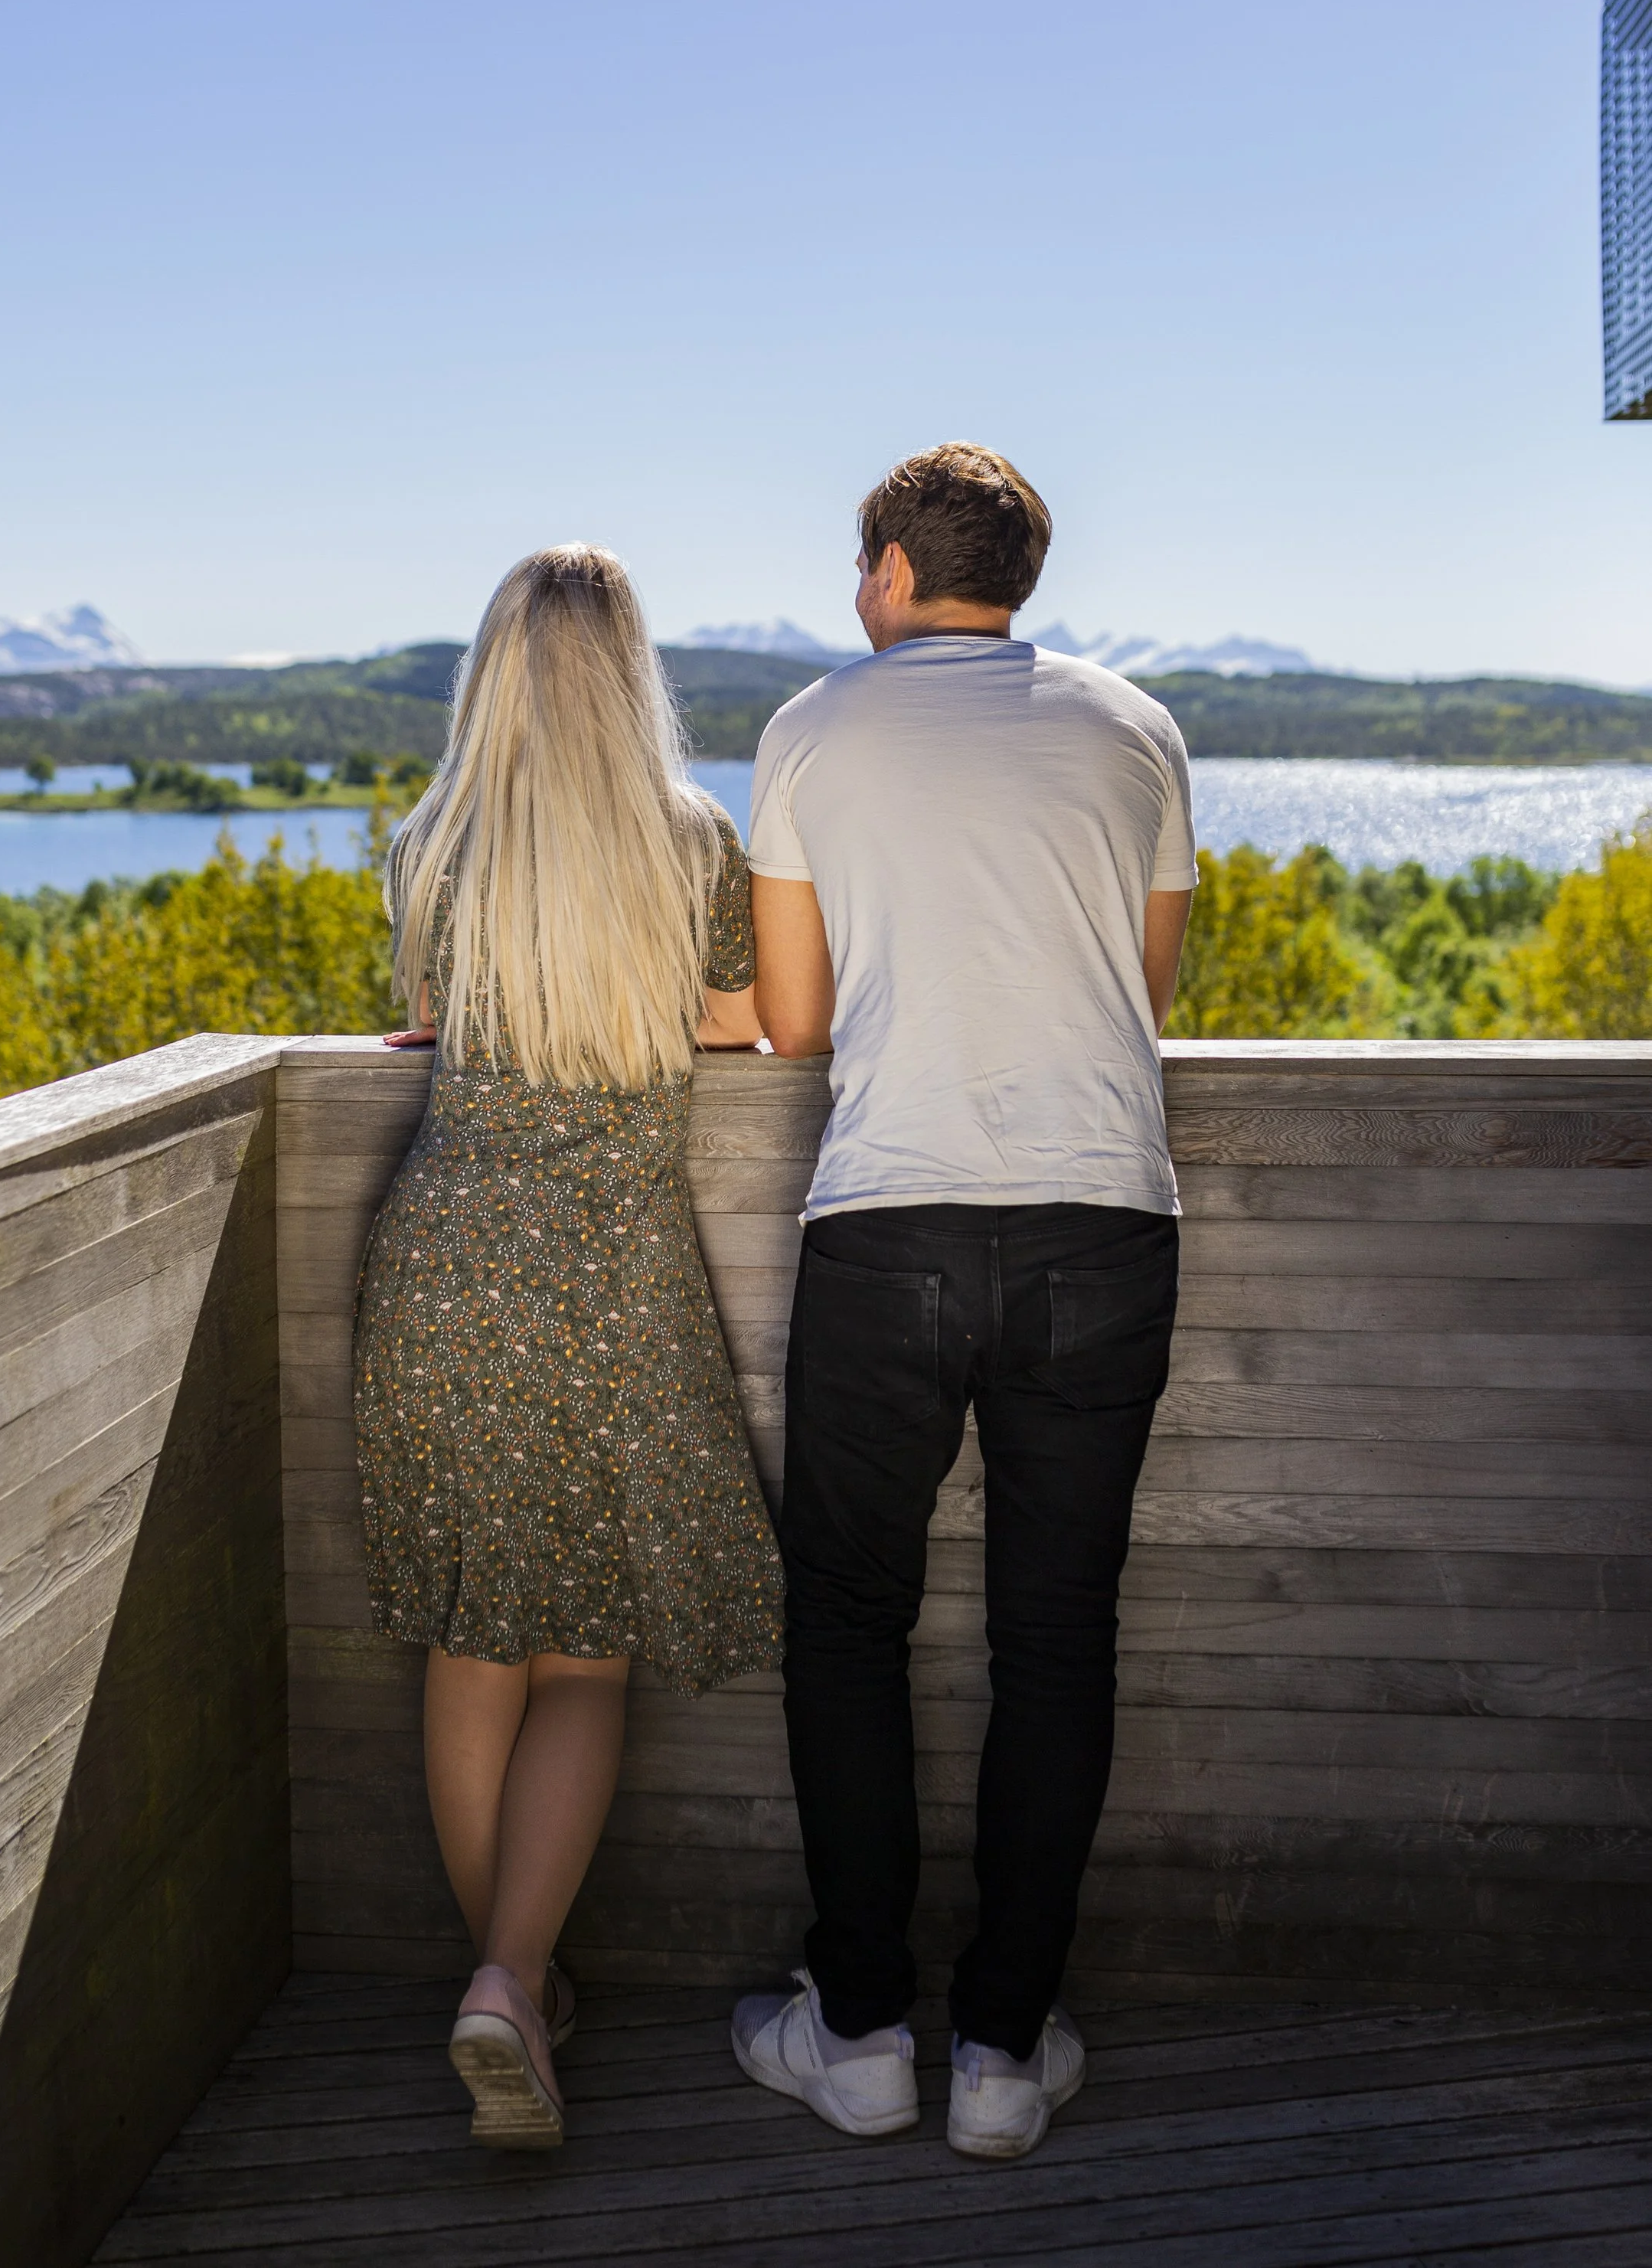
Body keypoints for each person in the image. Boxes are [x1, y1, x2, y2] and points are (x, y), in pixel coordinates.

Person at [731, 443, 1196, 2162]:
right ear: (1015, 576)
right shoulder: (1132, 728)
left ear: (885, 574)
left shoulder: (808, 729)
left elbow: (792, 1022)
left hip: (890, 1222)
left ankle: (856, 2036)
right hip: (1098, 1222)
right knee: (1054, 1640)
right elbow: (1133, 991)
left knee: (844, 1625)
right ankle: (1002, 2053)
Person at [353, 544, 783, 2152]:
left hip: (438, 1266)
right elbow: (741, 1028)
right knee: (585, 1652)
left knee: (473, 1641)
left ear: (490, 675)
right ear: (631, 678)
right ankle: (510, 1981)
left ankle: (508, 1985)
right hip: (605, 1282)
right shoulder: (690, 844)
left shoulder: (432, 844)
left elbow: (424, 1012)